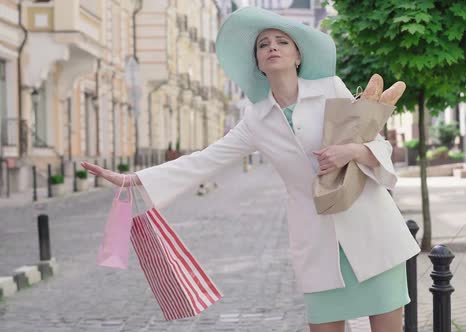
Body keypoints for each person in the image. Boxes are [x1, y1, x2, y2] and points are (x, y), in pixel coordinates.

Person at [82, 7, 420, 332]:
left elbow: (379, 145)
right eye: (263, 44)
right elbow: (205, 159)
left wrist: (352, 150)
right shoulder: (256, 119)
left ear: (298, 56)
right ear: (258, 62)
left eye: (282, 41)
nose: (272, 46)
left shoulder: (331, 88)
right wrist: (134, 178)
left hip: (371, 229)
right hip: (317, 244)